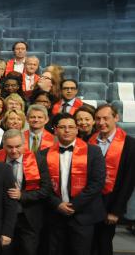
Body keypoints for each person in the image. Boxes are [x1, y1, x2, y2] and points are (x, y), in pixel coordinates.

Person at [41, 113, 106, 255]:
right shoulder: (43, 154)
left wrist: (73, 206)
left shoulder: (94, 151)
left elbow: (97, 183)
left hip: (84, 215)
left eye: (71, 127)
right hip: (54, 214)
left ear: (77, 130)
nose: (67, 130)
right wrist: (57, 204)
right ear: (55, 130)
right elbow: (42, 185)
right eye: (62, 127)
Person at [0, 129, 51, 255]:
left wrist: (22, 195)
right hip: (2, 217)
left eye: (18, 146)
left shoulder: (38, 160)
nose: (14, 151)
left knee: (28, 251)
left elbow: (46, 190)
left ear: (24, 144)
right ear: (3, 145)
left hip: (28, 217)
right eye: (9, 147)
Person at [89, 104, 135, 255]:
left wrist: (116, 211)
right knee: (86, 244)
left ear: (116, 118)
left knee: (103, 245)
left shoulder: (130, 144)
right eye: (98, 118)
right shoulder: (90, 141)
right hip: (87, 204)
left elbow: (129, 181)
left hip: (109, 205)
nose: (101, 122)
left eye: (106, 118)